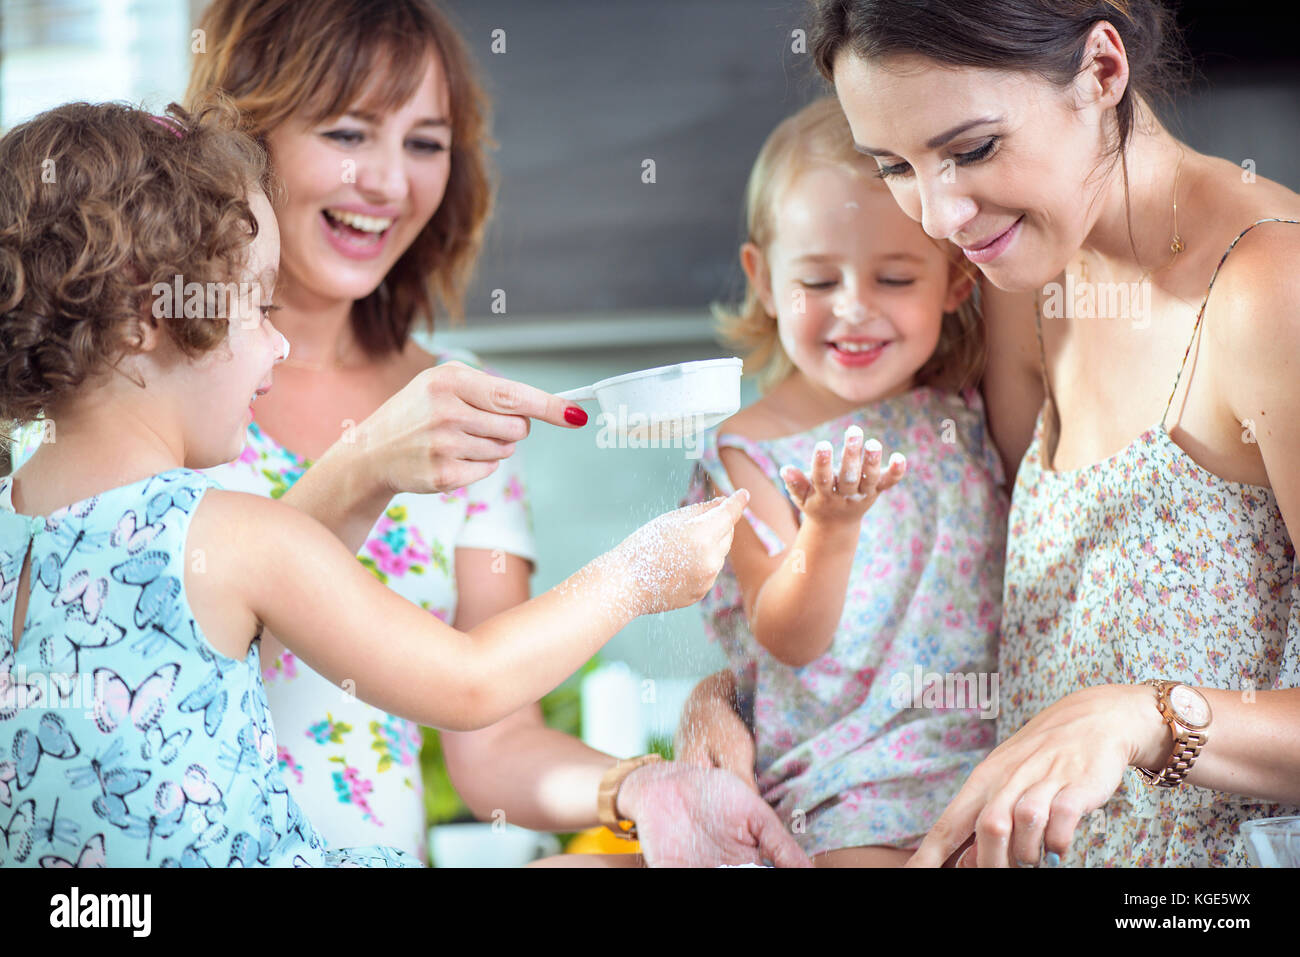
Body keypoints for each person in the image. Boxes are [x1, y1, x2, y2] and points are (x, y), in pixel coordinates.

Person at [0, 99, 749, 867]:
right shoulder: (234, 533)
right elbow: (470, 683)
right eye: (258, 307)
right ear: (143, 314)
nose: (278, 341)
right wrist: (642, 570)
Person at [170, 0, 809, 868]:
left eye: (426, 143)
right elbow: (157, 645)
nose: (392, 183)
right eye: (349, 133)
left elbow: (493, 739)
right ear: (247, 135)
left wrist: (639, 786)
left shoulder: (455, 398)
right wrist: (365, 463)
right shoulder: (154, 374)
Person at [686, 0, 1300, 868]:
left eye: (972, 149)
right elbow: (933, 588)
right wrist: (726, 697)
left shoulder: (1271, 286)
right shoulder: (1021, 272)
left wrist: (1142, 716)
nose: (937, 216)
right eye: (894, 164)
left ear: (1103, 71)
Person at [677, 97, 1006, 867]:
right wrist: (829, 530)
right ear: (763, 279)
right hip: (846, 782)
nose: (854, 309)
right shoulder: (746, 451)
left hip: (994, 760)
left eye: (895, 277)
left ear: (955, 281)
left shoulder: (963, 405)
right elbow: (786, 635)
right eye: (818, 280)